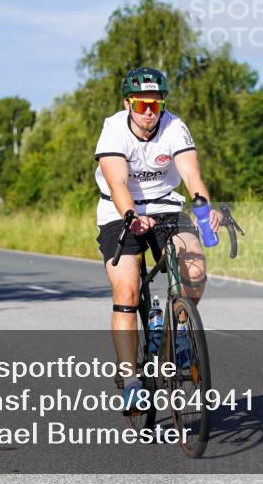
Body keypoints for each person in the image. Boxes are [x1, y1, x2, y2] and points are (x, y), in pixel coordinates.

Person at [93, 67, 221, 412]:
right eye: (141, 104)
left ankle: (179, 333)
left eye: (156, 104)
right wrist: (131, 217)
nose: (149, 111)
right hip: (120, 211)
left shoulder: (174, 126)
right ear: (128, 104)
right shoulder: (113, 128)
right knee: (127, 290)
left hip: (165, 206)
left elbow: (192, 174)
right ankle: (132, 381)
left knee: (193, 265)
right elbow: (118, 184)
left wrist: (205, 213)